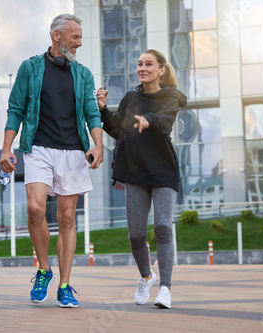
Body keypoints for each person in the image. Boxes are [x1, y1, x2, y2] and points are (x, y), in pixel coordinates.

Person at [0, 13, 103, 308]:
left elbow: (91, 112)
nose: (79, 43)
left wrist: (97, 143)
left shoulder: (83, 74)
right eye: (75, 37)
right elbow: (15, 109)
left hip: (73, 150)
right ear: (56, 36)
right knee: (35, 208)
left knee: (67, 217)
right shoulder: (30, 68)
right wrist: (6, 148)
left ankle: (65, 285)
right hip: (38, 146)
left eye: (81, 37)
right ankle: (44, 269)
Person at [96, 49, 187, 309]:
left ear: (161, 70)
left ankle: (166, 288)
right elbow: (117, 130)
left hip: (162, 171)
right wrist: (103, 108)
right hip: (134, 170)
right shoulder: (130, 98)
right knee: (136, 235)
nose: (142, 68)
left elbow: (165, 122)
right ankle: (147, 276)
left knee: (162, 228)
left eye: (148, 64)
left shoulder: (171, 98)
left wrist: (148, 119)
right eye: (139, 64)